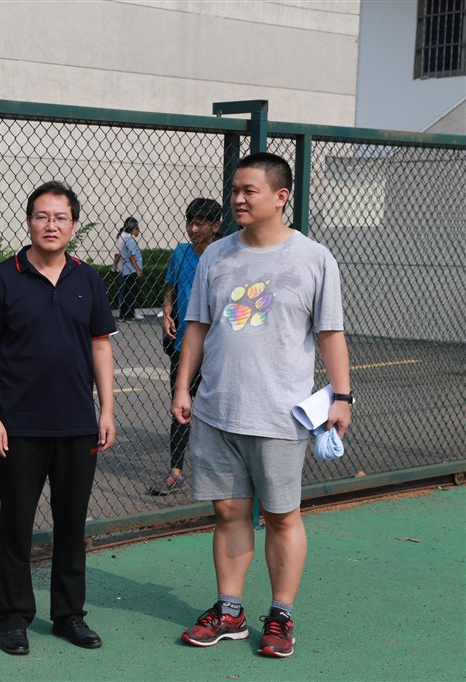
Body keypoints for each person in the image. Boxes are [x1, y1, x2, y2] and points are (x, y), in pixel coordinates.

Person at [171, 153, 352, 659]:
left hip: (280, 416)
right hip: (216, 410)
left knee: (282, 516)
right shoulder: (215, 256)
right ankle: (229, 612)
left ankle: (281, 615)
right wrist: (183, 387)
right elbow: (197, 326)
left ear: (280, 196)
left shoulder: (314, 258)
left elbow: (330, 333)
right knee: (228, 512)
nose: (237, 199)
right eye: (234, 190)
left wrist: (342, 396)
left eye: (248, 190)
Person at [0, 181, 117, 657]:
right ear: (29, 221)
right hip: (19, 427)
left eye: (60, 217)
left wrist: (107, 409)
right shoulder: (3, 278)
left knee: (71, 525)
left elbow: (101, 346)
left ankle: (69, 614)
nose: (51, 225)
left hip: (78, 425)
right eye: (42, 216)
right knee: (16, 525)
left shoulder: (88, 279)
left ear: (73, 225)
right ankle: (13, 617)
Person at [150, 198, 222, 496]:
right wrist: (167, 313)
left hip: (217, 349)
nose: (193, 229)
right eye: (190, 222)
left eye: (200, 223)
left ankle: (216, 472)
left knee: (215, 411)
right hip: (183, 346)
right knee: (181, 408)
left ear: (215, 226)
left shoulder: (224, 255)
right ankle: (176, 472)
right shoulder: (181, 253)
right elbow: (170, 290)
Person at [116, 217, 143, 320]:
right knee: (131, 293)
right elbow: (131, 256)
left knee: (128, 292)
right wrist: (137, 269)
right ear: (134, 230)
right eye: (137, 229)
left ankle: (125, 315)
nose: (139, 232)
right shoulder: (130, 240)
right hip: (131, 270)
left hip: (128, 270)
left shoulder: (127, 239)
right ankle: (127, 315)